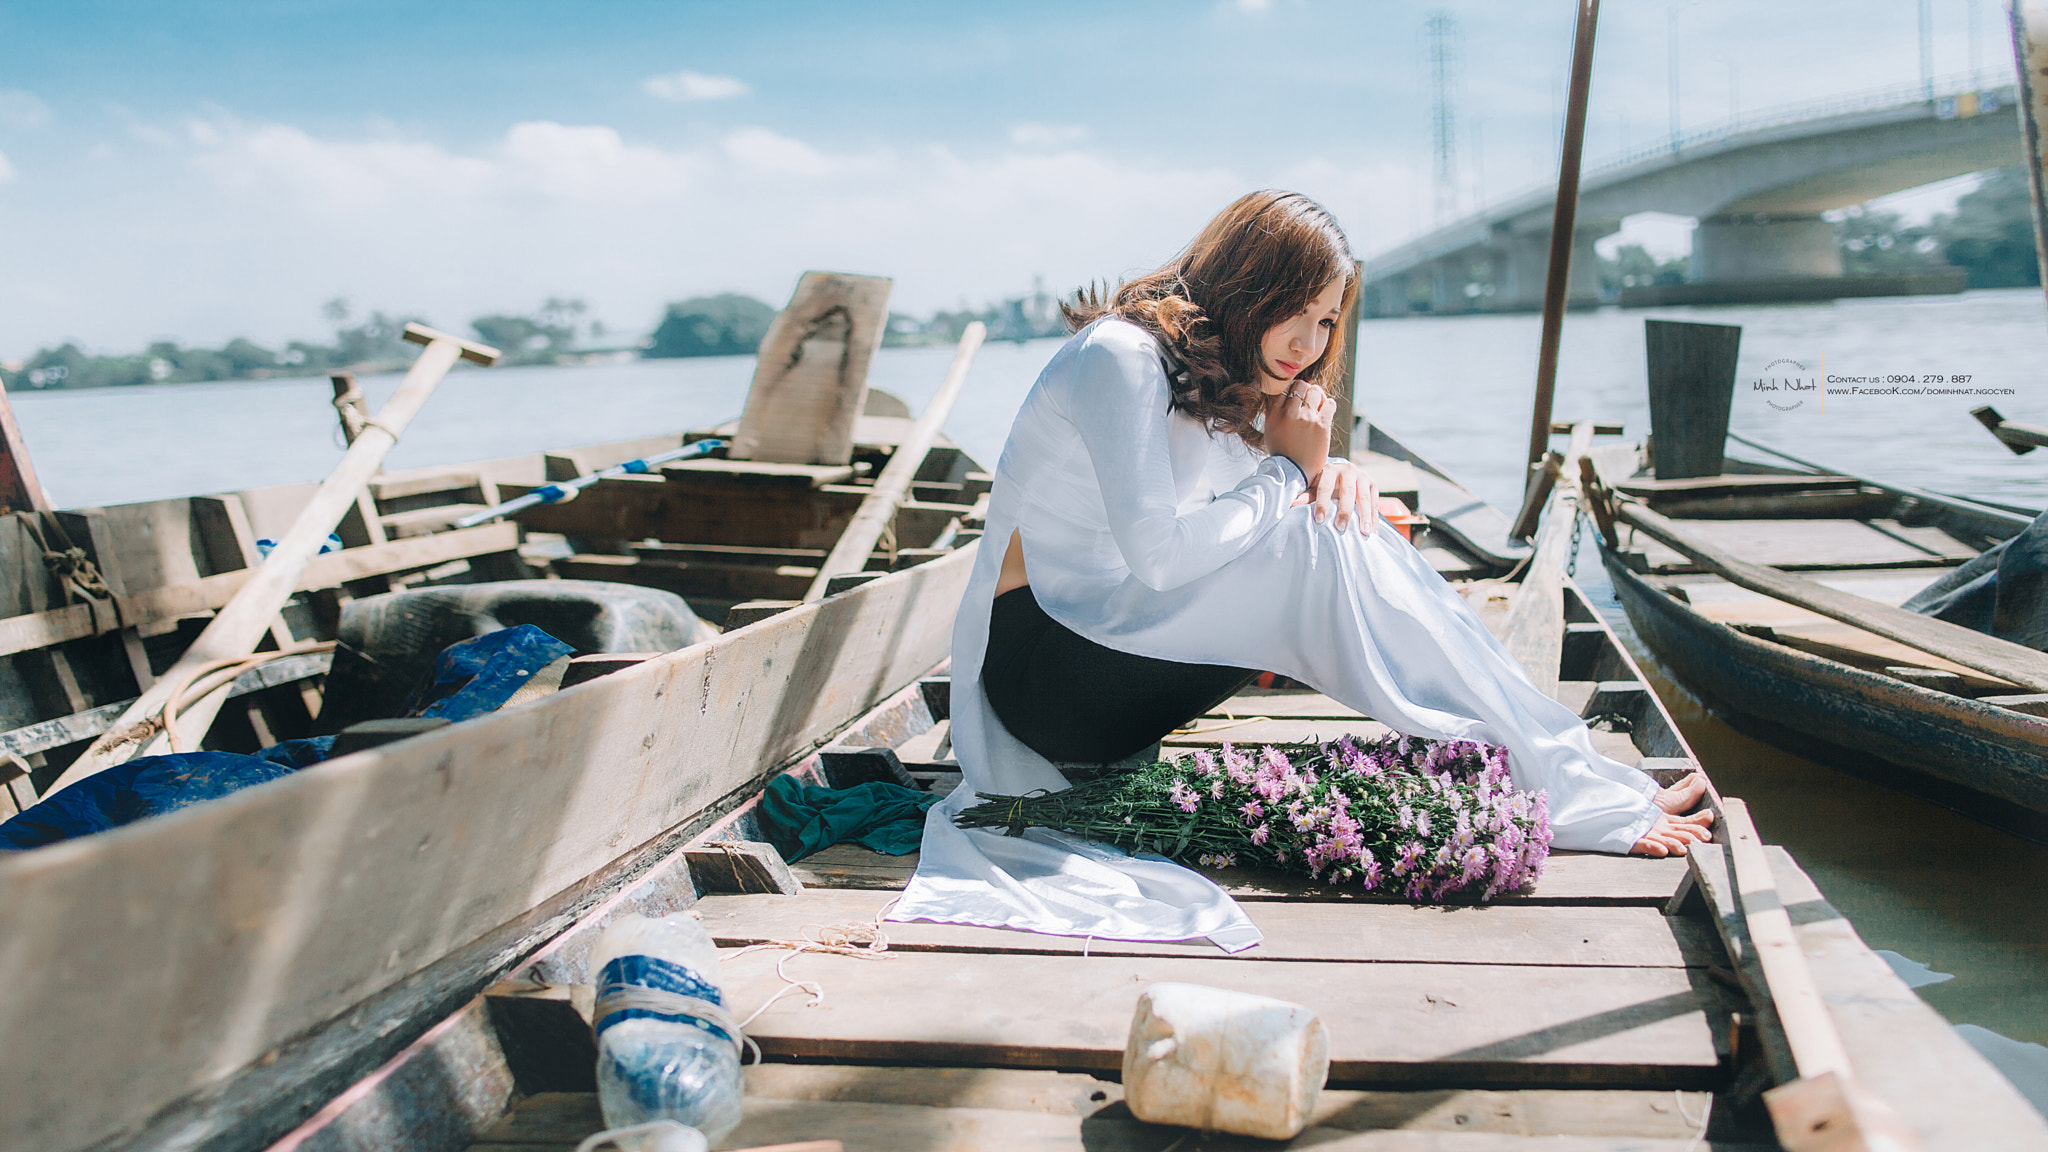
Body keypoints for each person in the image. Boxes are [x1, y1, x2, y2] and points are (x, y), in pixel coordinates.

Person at [890, 190, 1713, 952]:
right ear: (1244, 281)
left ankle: (1555, 769)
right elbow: (1166, 553)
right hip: (1043, 684)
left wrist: (1329, 474)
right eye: (1296, 310)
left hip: (1109, 654)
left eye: (1326, 322)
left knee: (1341, 527)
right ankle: (1555, 780)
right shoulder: (1122, 357)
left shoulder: (1219, 380)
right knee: (1317, 539)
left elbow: (1251, 504)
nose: (1309, 344)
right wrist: (1292, 475)